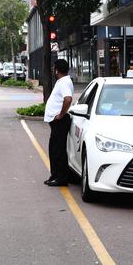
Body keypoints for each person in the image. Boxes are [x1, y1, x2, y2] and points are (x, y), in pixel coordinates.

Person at [43, 59, 74, 187]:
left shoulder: (64, 82)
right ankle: (55, 175)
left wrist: (60, 115)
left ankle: (61, 178)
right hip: (56, 122)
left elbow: (68, 99)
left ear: (56, 69)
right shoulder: (62, 81)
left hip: (60, 121)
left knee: (59, 150)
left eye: (54, 67)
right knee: (54, 149)